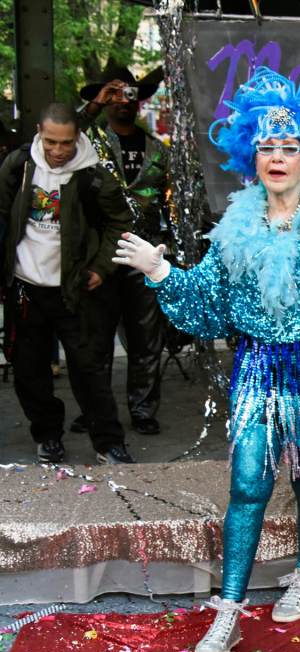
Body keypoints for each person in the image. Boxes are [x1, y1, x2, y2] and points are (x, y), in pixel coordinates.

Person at [113, 67, 300, 652]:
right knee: (246, 487)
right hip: (260, 373)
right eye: (266, 146)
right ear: (251, 154)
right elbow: (208, 310)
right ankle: (229, 610)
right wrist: (160, 272)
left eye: (289, 147)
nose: (277, 157)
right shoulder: (235, 227)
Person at [0, 103, 133, 464]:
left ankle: (107, 442)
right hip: (27, 287)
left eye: (66, 143)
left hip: (75, 291)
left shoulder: (93, 175)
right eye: (50, 142)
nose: (58, 151)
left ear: (78, 138)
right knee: (29, 371)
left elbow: (119, 223)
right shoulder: (20, 166)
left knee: (89, 370)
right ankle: (47, 436)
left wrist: (102, 268)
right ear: (39, 136)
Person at [77, 65, 169, 435]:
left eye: (129, 94)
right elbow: (59, 140)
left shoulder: (155, 149)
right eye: (114, 95)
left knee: (146, 339)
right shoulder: (88, 142)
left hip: (144, 254)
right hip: (101, 252)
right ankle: (94, 410)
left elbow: (169, 201)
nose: (122, 102)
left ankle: (143, 409)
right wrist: (95, 105)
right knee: (94, 340)